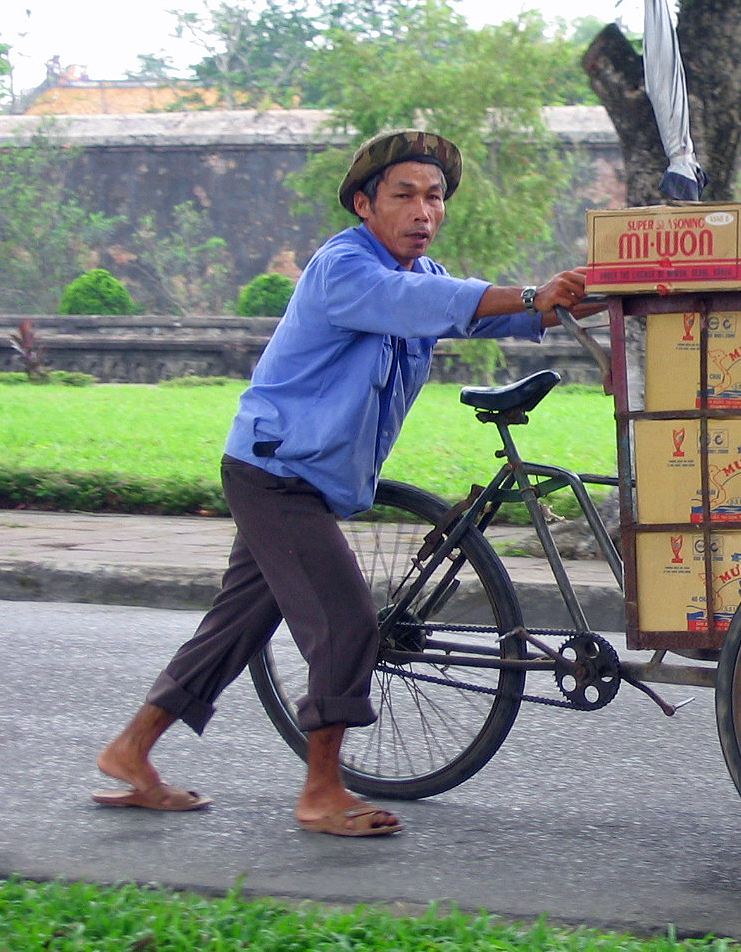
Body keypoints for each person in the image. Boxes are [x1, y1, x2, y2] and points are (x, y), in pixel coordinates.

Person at [93, 128, 596, 837]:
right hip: (274, 473)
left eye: (435, 197)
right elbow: (423, 304)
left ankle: (131, 751)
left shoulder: (424, 278)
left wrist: (582, 295)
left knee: (234, 626)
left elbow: (492, 310)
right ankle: (321, 792)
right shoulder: (344, 269)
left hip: (313, 479)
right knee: (347, 622)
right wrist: (529, 290)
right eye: (405, 196)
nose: (425, 211)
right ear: (365, 204)